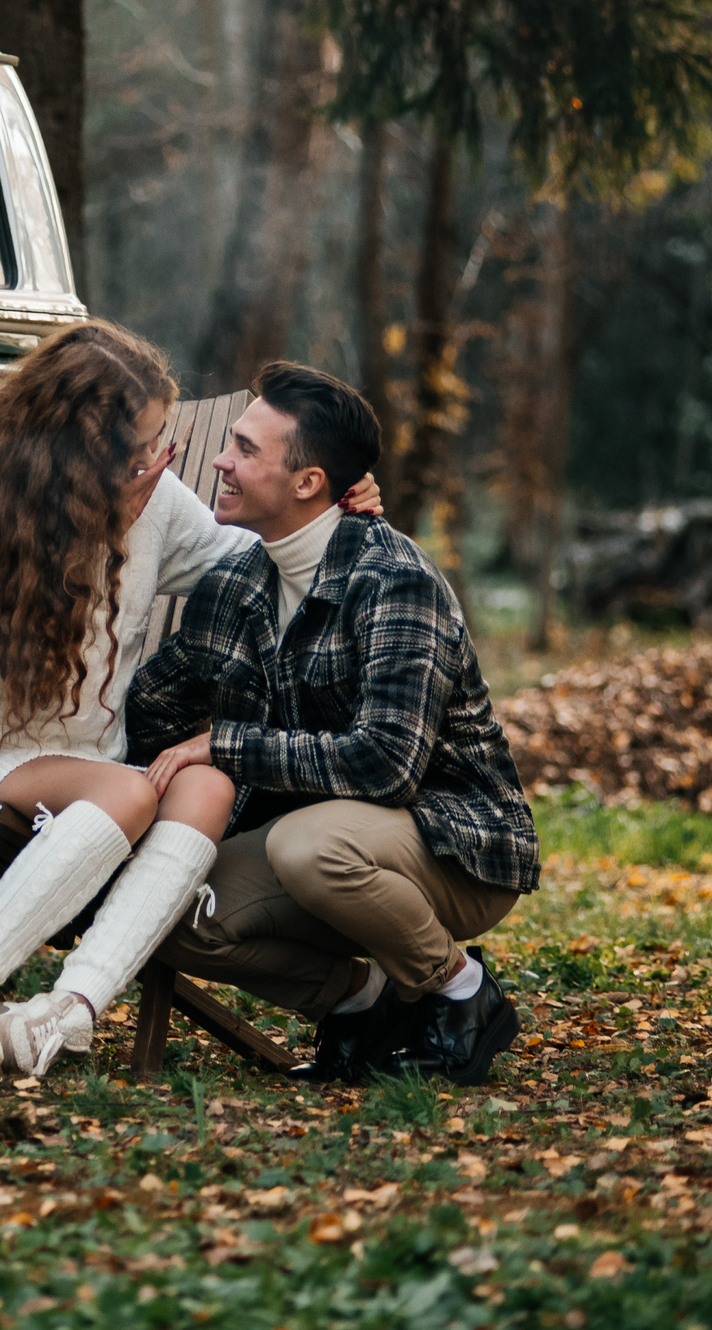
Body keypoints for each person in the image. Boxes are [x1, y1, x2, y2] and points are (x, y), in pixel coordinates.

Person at [0, 322, 378, 1080]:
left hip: (93, 780)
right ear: (75, 463)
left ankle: (64, 1014)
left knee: (208, 779)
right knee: (131, 787)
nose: (163, 465)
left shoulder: (155, 500)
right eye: (142, 453)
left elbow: (251, 559)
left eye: (165, 444)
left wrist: (331, 517)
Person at [127, 361, 539, 1085]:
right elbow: (153, 706)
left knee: (307, 844)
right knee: (173, 905)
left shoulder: (394, 580)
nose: (221, 460)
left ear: (309, 481)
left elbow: (386, 765)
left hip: (454, 843)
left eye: (246, 450)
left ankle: (460, 992)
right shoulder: (233, 586)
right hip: (316, 846)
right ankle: (367, 1002)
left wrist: (227, 745)